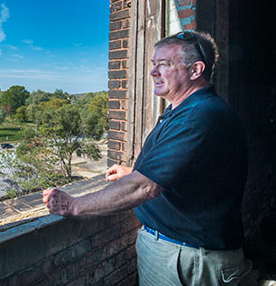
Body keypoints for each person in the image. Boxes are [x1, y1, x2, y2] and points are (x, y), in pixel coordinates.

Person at [43, 31, 252, 285]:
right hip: (185, 253)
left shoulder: (201, 115)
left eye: (164, 64)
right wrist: (134, 172)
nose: (153, 72)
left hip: (189, 260)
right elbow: (188, 172)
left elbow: (146, 187)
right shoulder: (186, 110)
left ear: (196, 70)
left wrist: (73, 205)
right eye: (153, 64)